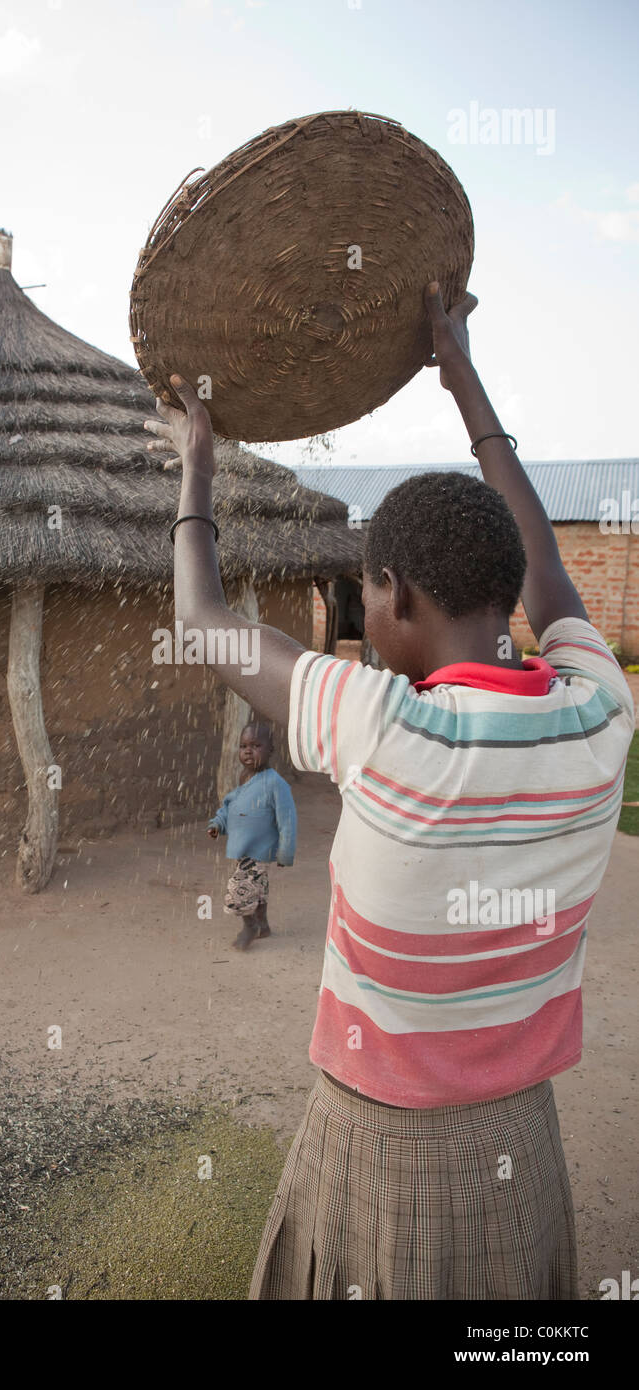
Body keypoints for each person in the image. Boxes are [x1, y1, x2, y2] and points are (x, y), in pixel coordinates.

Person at [144, 282, 634, 1300]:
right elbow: (542, 562)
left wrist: (196, 461)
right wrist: (464, 383)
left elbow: (199, 614)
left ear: (394, 597)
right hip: (521, 1140)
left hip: (375, 1137)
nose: (361, 605)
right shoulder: (598, 713)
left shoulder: (380, 725)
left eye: (364, 587)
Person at [207, 722, 297, 950]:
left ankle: (250, 926)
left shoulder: (276, 783)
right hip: (244, 847)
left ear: (271, 750)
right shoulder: (244, 778)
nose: (248, 751)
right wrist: (218, 823)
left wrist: (285, 853)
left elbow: (287, 819)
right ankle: (263, 925)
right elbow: (231, 805)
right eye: (243, 745)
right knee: (258, 888)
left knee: (240, 889)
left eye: (256, 745)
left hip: (258, 849)